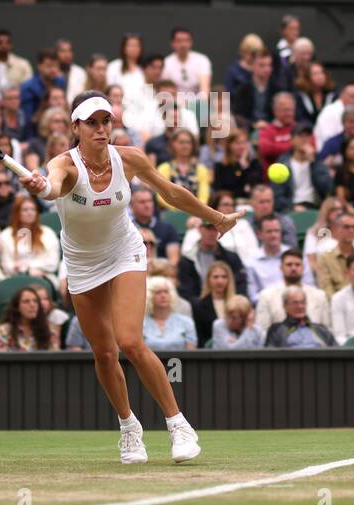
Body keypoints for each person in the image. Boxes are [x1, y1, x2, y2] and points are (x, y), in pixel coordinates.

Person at [18, 92, 246, 463]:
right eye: (91, 123)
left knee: (130, 341)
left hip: (125, 251)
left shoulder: (130, 158)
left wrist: (216, 218)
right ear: (75, 127)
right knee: (105, 353)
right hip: (82, 264)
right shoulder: (63, 164)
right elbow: (53, 186)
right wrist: (42, 187)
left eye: (106, 121)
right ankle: (129, 427)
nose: (101, 129)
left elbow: (172, 192)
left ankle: (178, 425)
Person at [265, 285, 339, 348]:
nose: (300, 306)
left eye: (302, 302)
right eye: (295, 303)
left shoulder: (320, 329)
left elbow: (337, 352)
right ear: (285, 306)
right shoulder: (276, 330)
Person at [0, 286, 59, 352]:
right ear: (17, 307)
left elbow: (55, 357)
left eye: (35, 301)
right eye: (26, 301)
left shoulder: (49, 330)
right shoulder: (5, 330)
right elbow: (2, 359)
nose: (32, 305)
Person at [141, 276, 198, 350]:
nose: (163, 295)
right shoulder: (141, 324)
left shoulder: (186, 322)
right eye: (158, 292)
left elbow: (191, 354)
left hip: (179, 361)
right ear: (149, 296)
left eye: (166, 291)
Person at [191, 259, 238, 346]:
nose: (220, 281)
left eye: (224, 277)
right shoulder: (198, 305)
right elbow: (199, 336)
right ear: (208, 279)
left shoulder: (238, 304)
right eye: (215, 277)